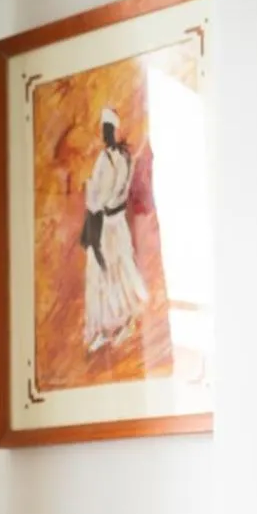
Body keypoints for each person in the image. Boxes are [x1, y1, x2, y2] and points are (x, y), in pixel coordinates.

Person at [80, 107, 148, 352]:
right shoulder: (125, 157)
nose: (104, 133)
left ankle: (105, 330)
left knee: (102, 273)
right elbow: (118, 191)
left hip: (107, 224)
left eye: (106, 129)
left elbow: (97, 197)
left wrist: (89, 194)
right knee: (119, 270)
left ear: (109, 131)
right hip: (118, 223)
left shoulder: (106, 159)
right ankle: (121, 323)